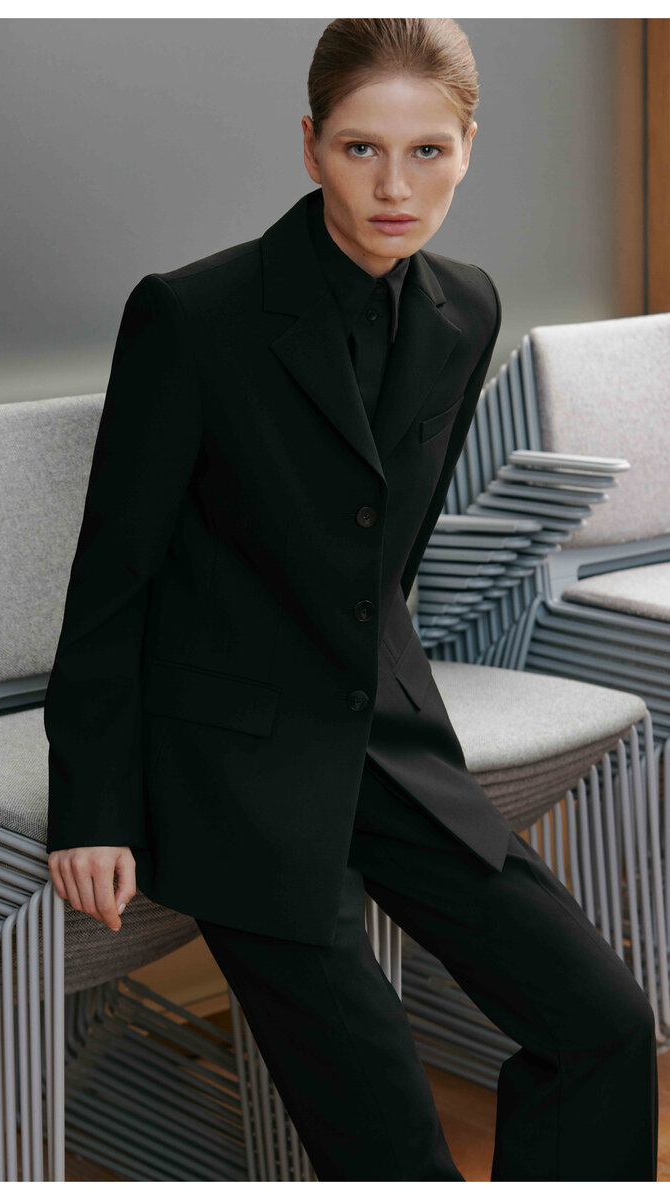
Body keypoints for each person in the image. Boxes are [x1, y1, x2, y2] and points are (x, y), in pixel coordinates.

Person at [44, 17, 658, 1182]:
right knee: (394, 1145)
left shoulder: (466, 308)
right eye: (360, 148)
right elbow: (114, 578)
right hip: (228, 765)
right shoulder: (193, 315)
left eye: (427, 151)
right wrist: (91, 806)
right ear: (310, 145)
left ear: (468, 148)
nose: (394, 186)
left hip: (386, 743)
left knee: (605, 1026)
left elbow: (390, 555)